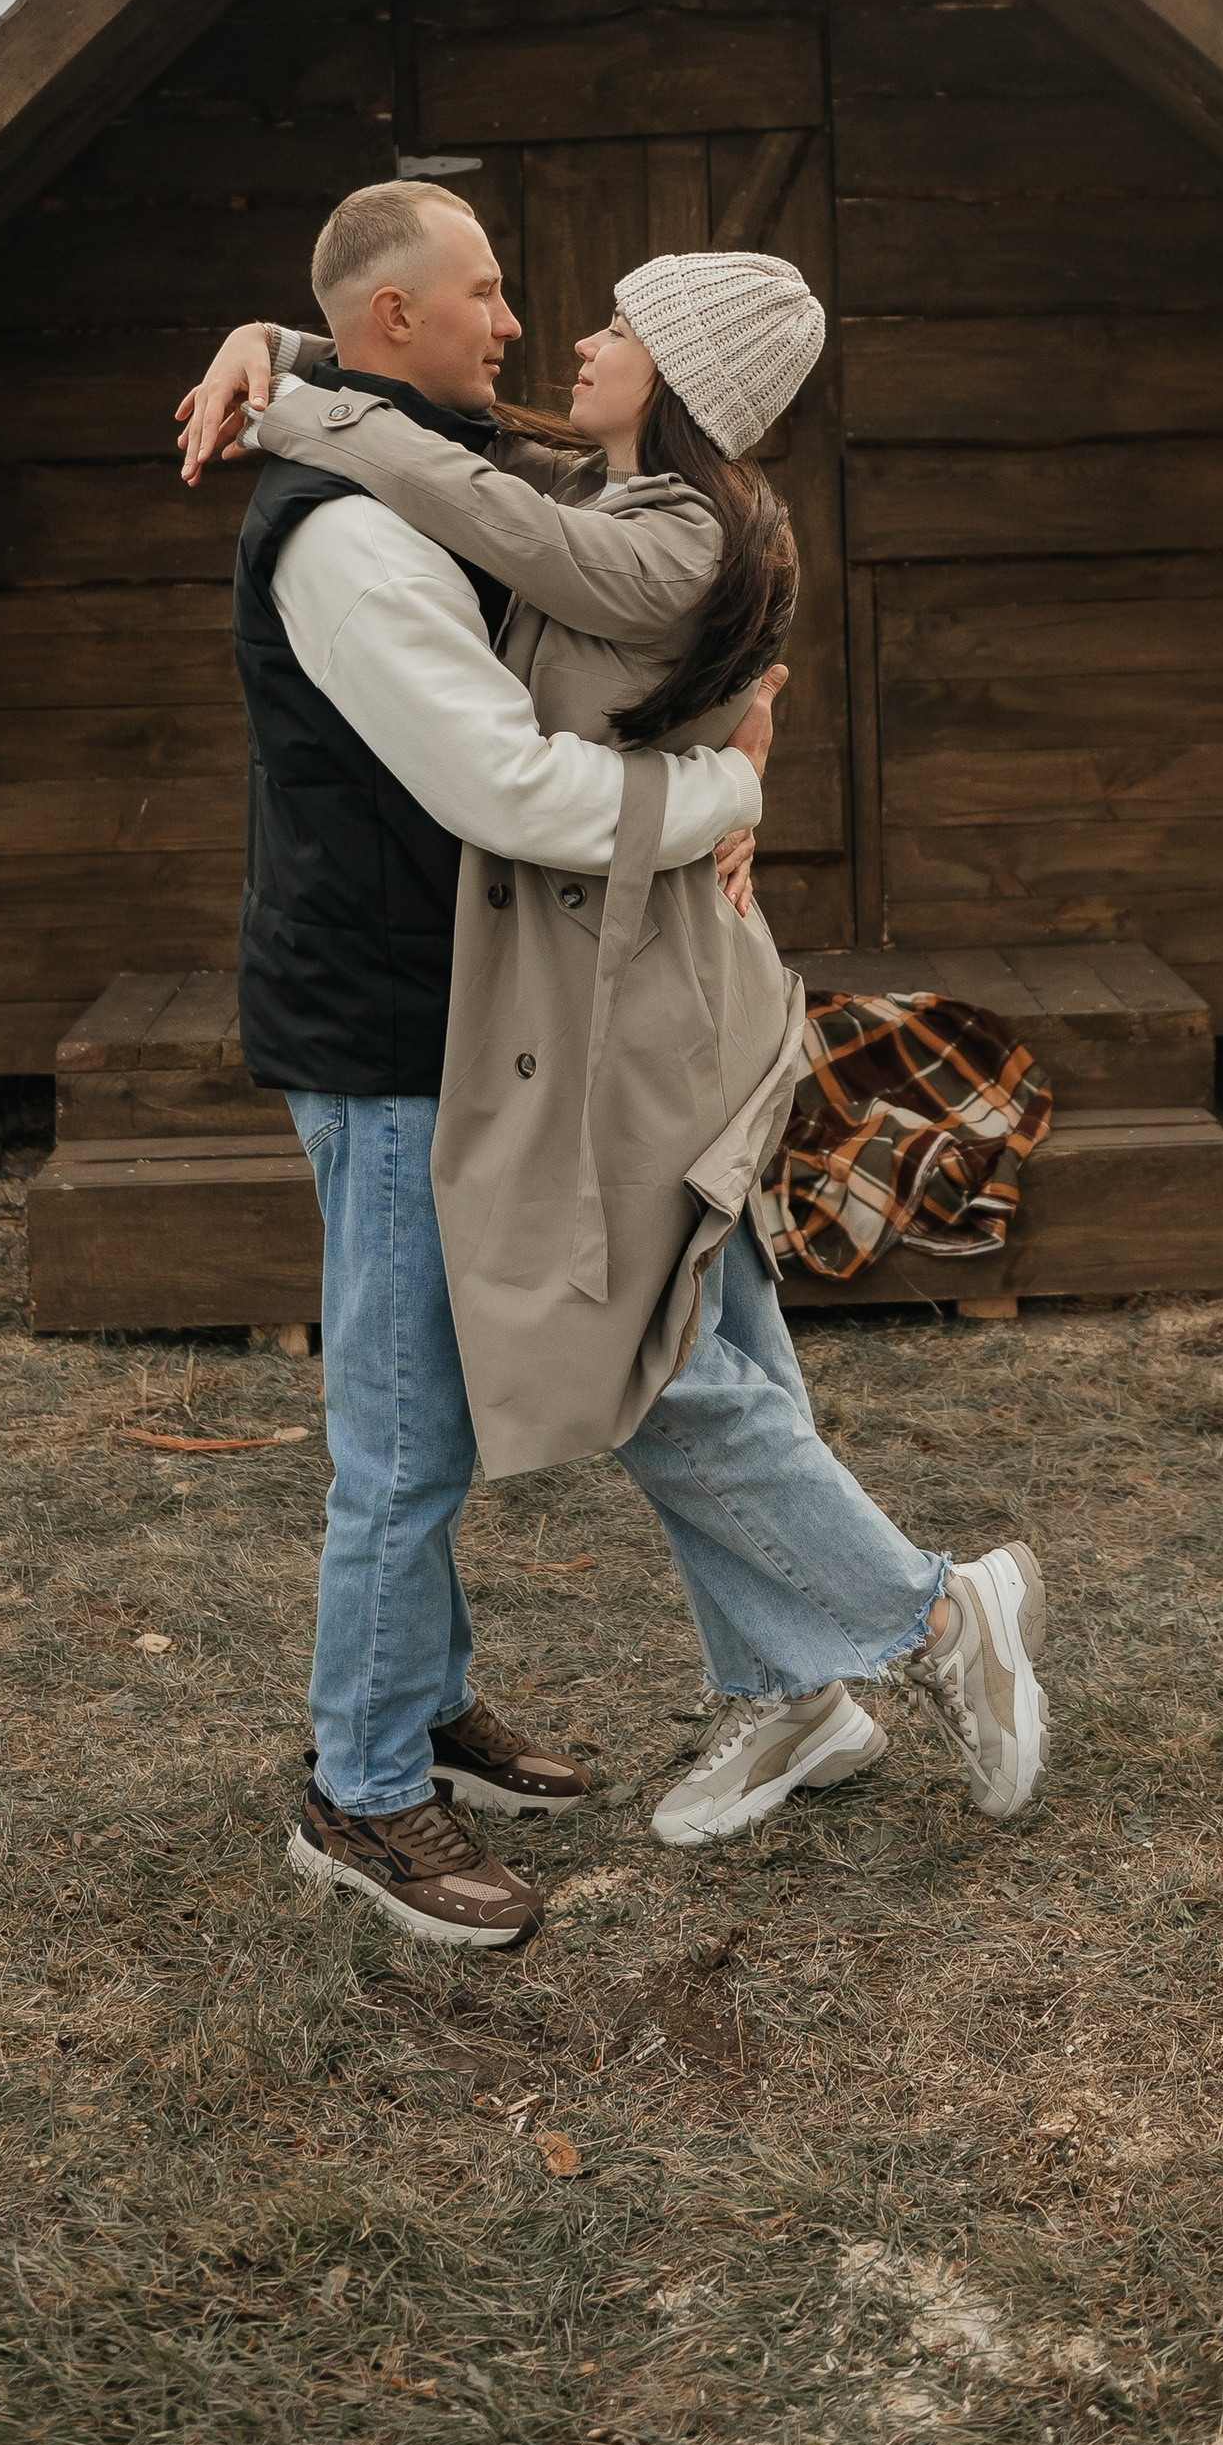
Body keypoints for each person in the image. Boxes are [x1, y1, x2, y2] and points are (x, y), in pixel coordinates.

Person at [180, 182, 1046, 1951]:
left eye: (568, 309)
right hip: (408, 1023)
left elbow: (482, 491)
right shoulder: (360, 530)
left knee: (663, 1361)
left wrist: (288, 360)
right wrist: (732, 783)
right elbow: (507, 782)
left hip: (579, 1014)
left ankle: (779, 1668)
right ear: (397, 325)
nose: (533, 326)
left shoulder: (581, 506)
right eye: (487, 291)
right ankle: (375, 1780)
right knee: (450, 1420)